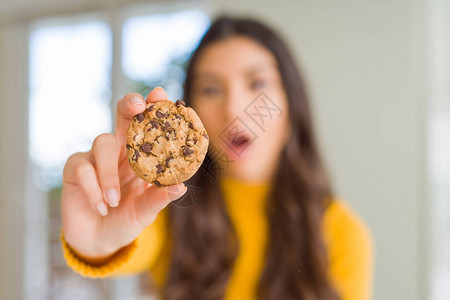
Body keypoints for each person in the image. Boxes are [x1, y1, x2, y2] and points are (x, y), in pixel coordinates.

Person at [60, 16, 374, 300]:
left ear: (292, 104)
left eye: (257, 84)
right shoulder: (169, 210)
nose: (234, 109)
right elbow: (122, 240)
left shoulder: (340, 234)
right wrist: (97, 240)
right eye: (211, 89)